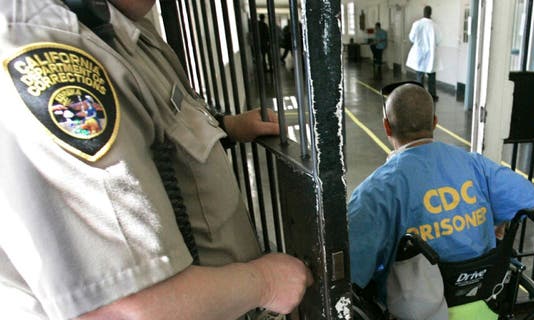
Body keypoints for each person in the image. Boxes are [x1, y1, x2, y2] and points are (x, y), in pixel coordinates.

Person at [0, 1, 312, 319]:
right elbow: (125, 311)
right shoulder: (45, 50)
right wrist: (266, 283)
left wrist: (227, 128)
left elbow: (161, 137)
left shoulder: (125, 28)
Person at [348, 82, 534, 319]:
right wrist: (497, 220)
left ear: (387, 127)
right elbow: (526, 195)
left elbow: (352, 267)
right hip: (482, 303)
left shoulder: (378, 189)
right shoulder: (473, 164)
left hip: (417, 307)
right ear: (435, 122)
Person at [406, 6, 441, 102]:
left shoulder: (417, 24)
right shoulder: (435, 26)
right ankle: (432, 96)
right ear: (431, 13)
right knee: (432, 76)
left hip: (419, 54)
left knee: (419, 76)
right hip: (431, 55)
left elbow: (411, 38)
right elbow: (438, 40)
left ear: (424, 12)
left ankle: (419, 95)